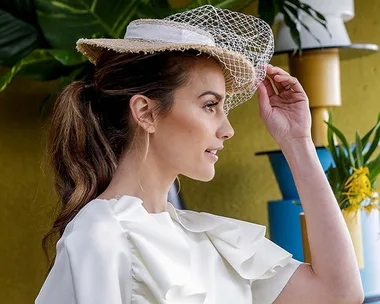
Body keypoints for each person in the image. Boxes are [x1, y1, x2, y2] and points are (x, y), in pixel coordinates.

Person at [35, 5, 364, 304]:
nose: (227, 129)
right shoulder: (100, 233)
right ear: (146, 113)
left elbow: (339, 292)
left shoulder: (212, 242)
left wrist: (297, 141)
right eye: (210, 105)